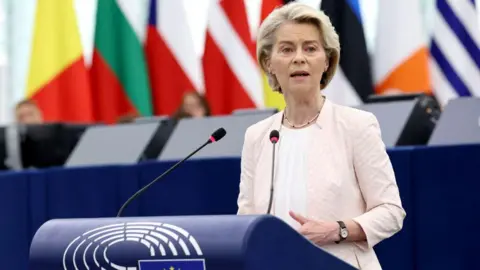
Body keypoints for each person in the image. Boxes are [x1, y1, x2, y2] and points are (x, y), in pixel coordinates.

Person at [237, 3, 405, 269]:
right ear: (269, 63)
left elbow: (391, 212)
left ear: (326, 61)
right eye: (287, 49)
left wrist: (338, 230)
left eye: (311, 48)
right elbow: (245, 223)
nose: (299, 58)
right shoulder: (257, 136)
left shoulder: (356, 125)